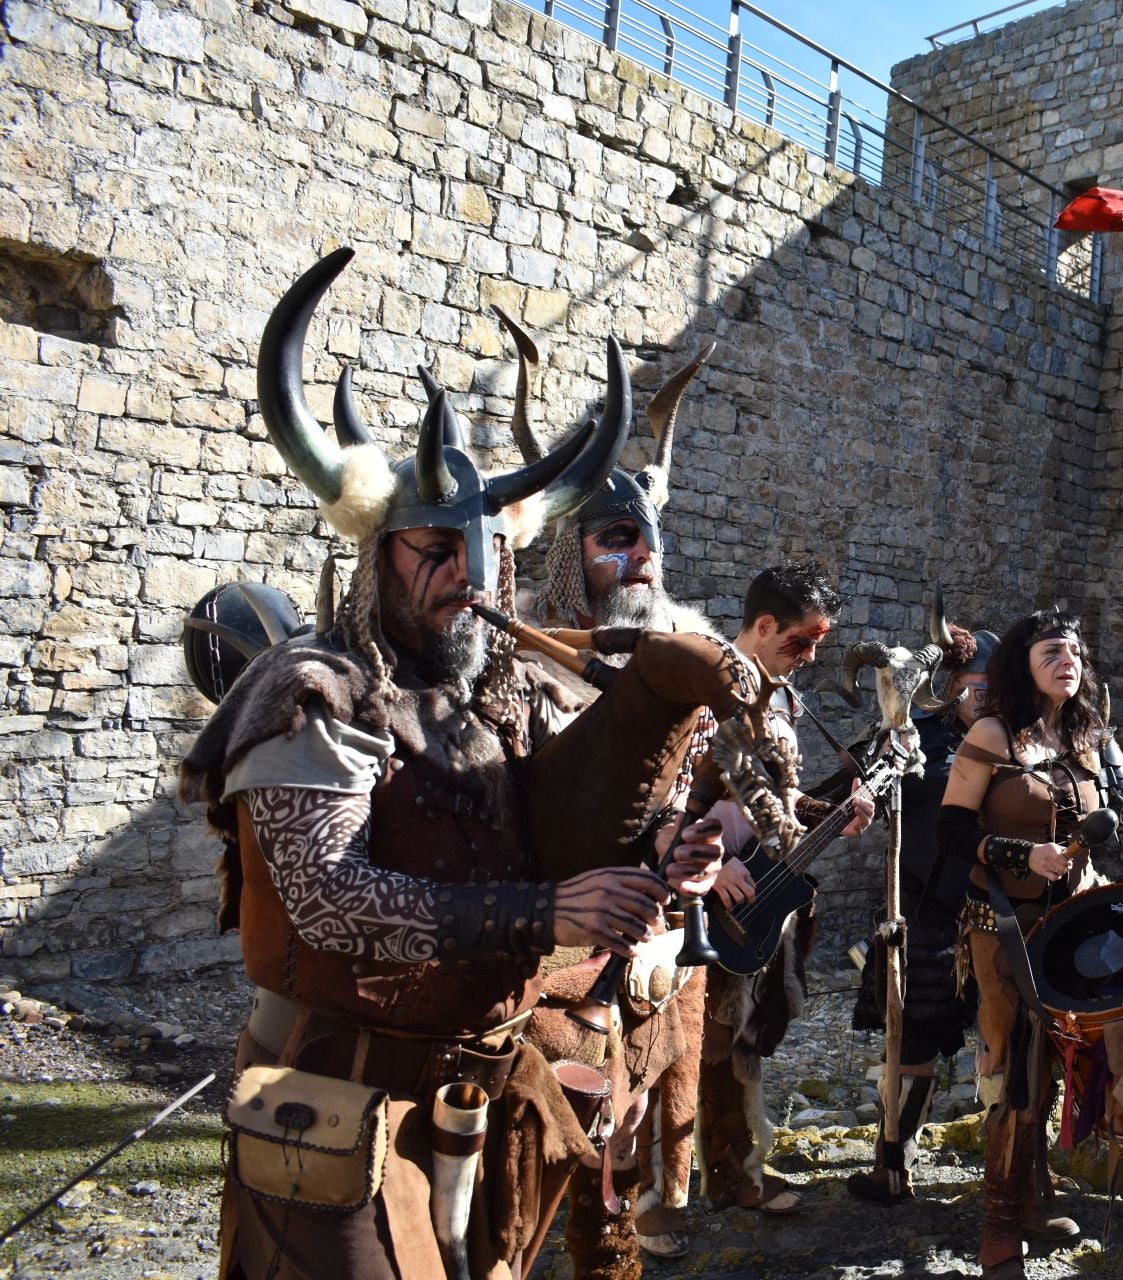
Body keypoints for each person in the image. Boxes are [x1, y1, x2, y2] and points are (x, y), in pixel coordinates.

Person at [180, 249, 726, 1279]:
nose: (464, 577)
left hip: (485, 1085)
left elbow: (555, 825)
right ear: (374, 550)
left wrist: (661, 847)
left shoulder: (505, 690)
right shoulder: (313, 689)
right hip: (337, 1094)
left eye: (483, 552)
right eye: (432, 548)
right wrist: (546, 913)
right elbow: (331, 902)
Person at [516, 343, 725, 1276]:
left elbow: (723, 792)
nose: (641, 561)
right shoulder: (516, 661)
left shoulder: (689, 657)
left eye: (648, 544)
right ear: (572, 552)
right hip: (537, 951)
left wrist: (711, 846)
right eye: (614, 542)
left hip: (656, 952)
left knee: (624, 1166)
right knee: (516, 1178)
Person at [940, 607, 1123, 1280]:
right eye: (1050, 651)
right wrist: (1018, 852)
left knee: (1060, 1065)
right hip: (1001, 926)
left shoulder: (1085, 737)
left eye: (1074, 650)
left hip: (1073, 924)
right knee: (1014, 1076)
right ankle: (999, 1229)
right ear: (1021, 663)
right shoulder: (992, 732)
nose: (1067, 659)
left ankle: (1034, 1194)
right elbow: (949, 833)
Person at [697, 563, 876, 1215]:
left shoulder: (780, 697)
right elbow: (661, 797)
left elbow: (774, 798)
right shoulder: (704, 688)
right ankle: (692, 1187)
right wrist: (708, 861)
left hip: (762, 892)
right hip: (697, 894)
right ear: (764, 625)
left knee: (745, 1035)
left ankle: (738, 1170)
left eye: (817, 644)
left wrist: (836, 815)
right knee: (702, 1041)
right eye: (800, 642)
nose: (809, 656)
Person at [846, 625, 997, 1203]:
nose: (988, 698)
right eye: (980, 686)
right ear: (953, 685)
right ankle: (893, 1163)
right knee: (911, 1038)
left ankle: (1006, 1169)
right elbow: (875, 781)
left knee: (1003, 1037)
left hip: (991, 902)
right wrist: (885, 760)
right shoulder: (916, 733)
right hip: (924, 904)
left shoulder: (1013, 738)